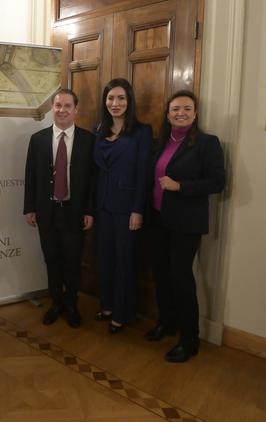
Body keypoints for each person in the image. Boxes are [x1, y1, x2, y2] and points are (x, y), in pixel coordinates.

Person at [145, 90, 225, 362]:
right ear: (168, 114)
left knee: (181, 278)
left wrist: (180, 186)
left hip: (185, 222)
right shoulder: (159, 143)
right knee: (161, 274)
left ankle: (189, 340)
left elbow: (217, 182)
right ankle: (166, 323)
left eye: (187, 108)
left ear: (195, 113)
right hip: (158, 219)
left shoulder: (207, 143)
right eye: (175, 109)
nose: (181, 113)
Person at [23, 88, 96, 328]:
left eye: (67, 106)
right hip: (47, 211)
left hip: (75, 211)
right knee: (51, 260)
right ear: (52, 108)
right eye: (58, 105)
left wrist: (90, 210)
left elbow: (93, 180)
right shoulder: (38, 140)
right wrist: (29, 208)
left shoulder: (88, 140)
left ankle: (72, 304)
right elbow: (30, 176)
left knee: (73, 261)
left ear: (76, 109)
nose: (62, 110)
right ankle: (56, 303)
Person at [93, 78, 152, 334]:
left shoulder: (142, 132)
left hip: (127, 209)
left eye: (120, 98)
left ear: (129, 101)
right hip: (102, 206)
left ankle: (123, 312)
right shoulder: (99, 130)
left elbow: (144, 173)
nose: (115, 103)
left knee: (125, 261)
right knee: (105, 258)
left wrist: (138, 209)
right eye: (110, 98)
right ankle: (107, 305)